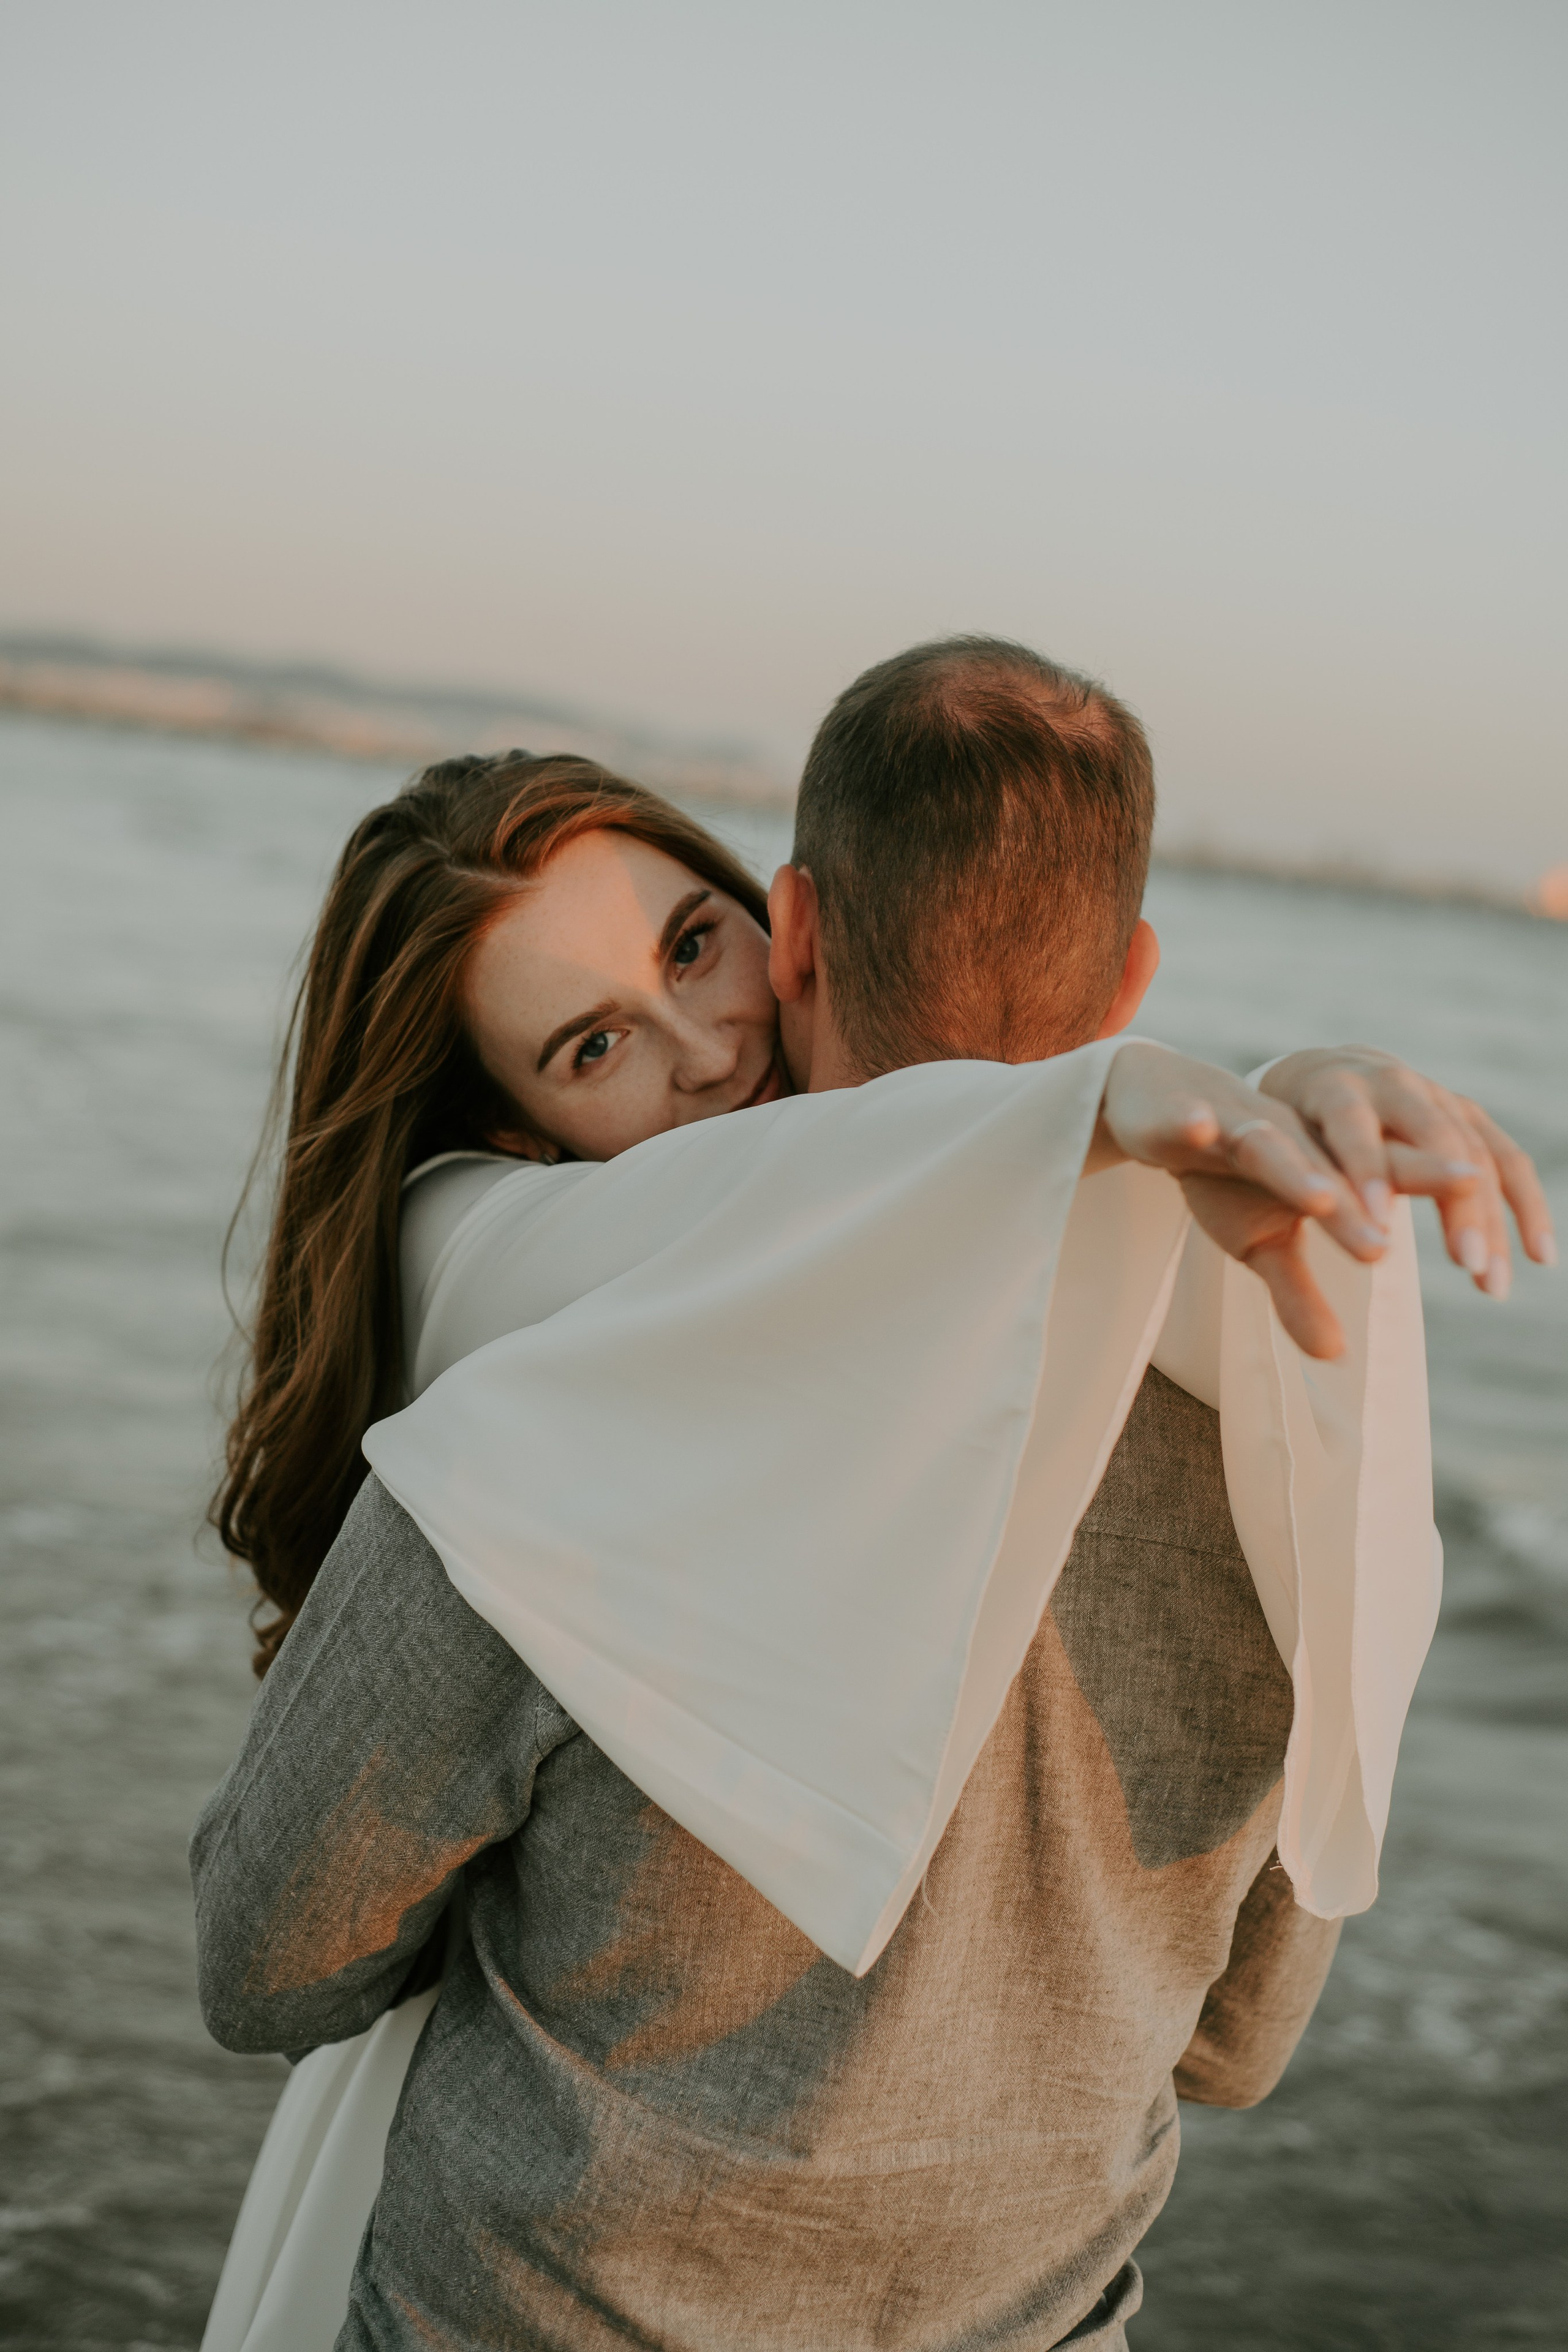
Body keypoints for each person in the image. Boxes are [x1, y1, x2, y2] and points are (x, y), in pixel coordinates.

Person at [194, 639, 1551, 2351]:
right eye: (595, 1042)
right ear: (1135, 975)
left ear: (795, 931)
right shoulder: (1276, 1429)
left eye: (694, 949)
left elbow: (269, 1966)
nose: (707, 1056)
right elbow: (1234, 2044)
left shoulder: (534, 1440)